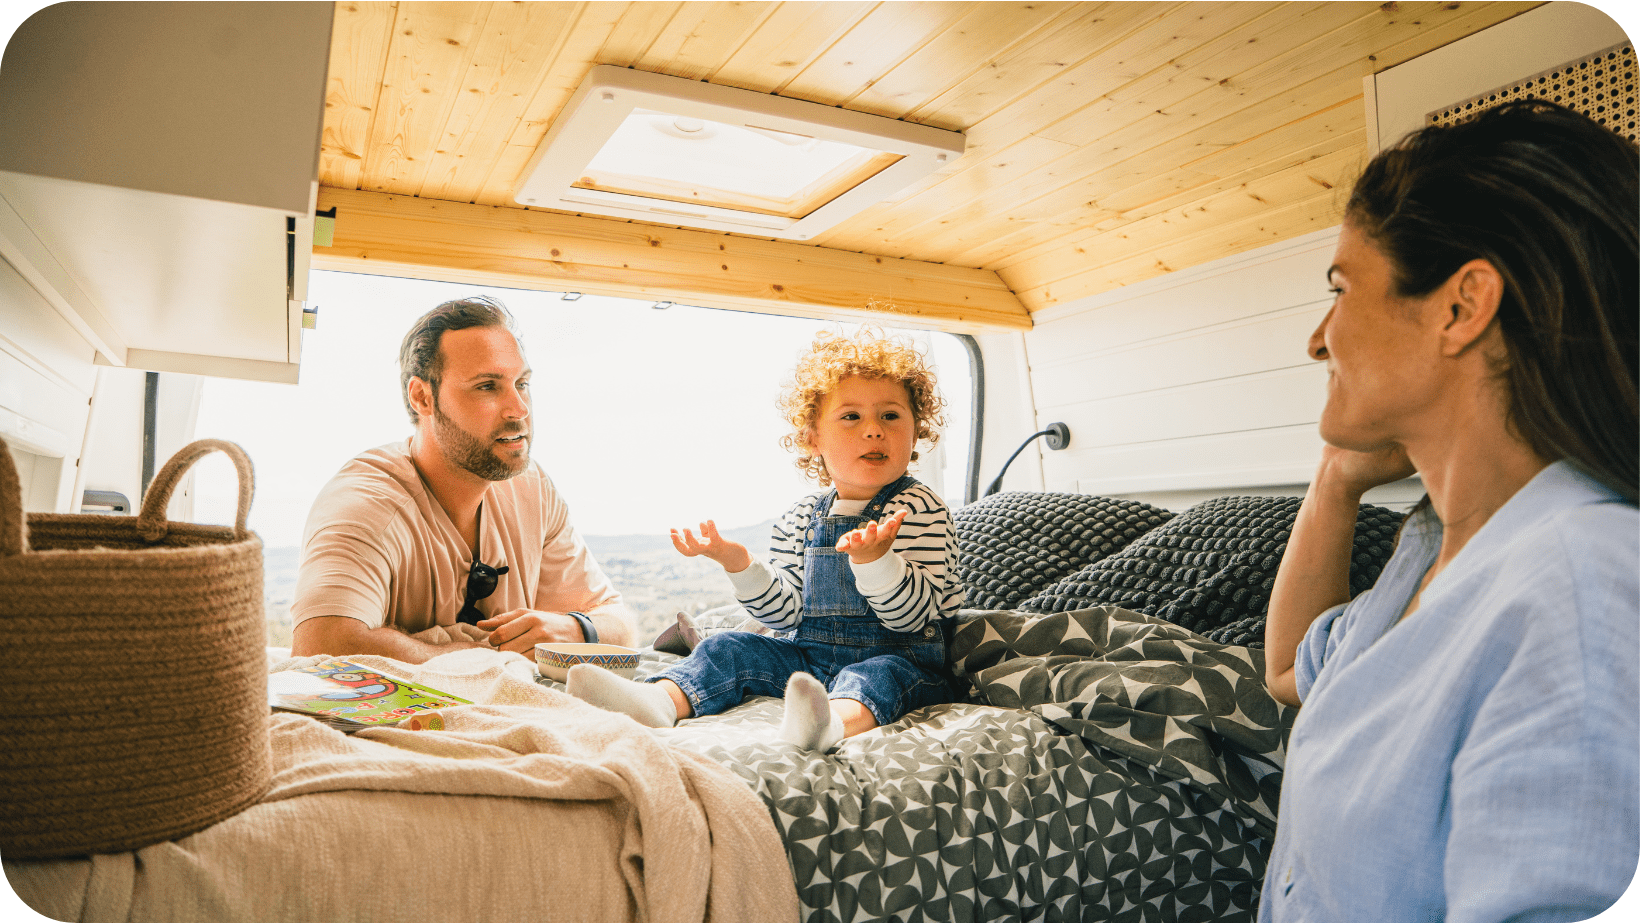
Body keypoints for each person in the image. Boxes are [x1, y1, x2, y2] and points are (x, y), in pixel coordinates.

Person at [1261, 99, 1638, 922]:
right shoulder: (1429, 549)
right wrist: (1334, 480)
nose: (1319, 340)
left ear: (1462, 307)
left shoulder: (1582, 584)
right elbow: (1289, 670)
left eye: (1341, 287)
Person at [569, 327, 963, 750]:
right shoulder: (801, 516)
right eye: (851, 417)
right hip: (809, 659)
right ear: (813, 438)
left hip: (901, 657)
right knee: (727, 648)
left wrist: (876, 562)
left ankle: (828, 724)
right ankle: (657, 701)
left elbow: (911, 619)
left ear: (916, 428)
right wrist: (739, 565)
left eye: (890, 415)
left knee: (876, 676)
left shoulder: (919, 507)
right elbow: (786, 616)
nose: (873, 430)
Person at [290, 296, 637, 663]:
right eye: (487, 386)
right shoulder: (364, 504)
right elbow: (319, 647)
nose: (519, 409)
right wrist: (488, 656)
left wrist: (574, 629)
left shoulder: (532, 489)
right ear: (422, 397)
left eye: (522, 383)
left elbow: (619, 625)